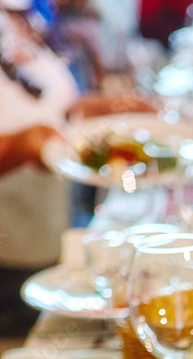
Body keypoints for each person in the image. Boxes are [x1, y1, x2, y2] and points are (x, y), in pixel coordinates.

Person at [0, 0, 155, 336]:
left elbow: (50, 106)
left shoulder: (20, 13)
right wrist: (18, 146)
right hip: (11, 254)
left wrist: (111, 108)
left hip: (55, 230)